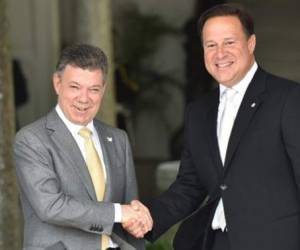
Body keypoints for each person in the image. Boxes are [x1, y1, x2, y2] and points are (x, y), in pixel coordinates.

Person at [125, 3, 300, 250]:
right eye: (211, 45)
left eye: (229, 42)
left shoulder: (288, 99)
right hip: (216, 242)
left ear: (251, 44)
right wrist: (149, 218)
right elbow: (190, 184)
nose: (220, 53)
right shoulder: (198, 111)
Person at [13, 44, 152, 250]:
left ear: (103, 90)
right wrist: (121, 212)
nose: (84, 98)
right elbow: (50, 206)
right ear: (57, 83)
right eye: (75, 87)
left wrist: (136, 222)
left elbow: (130, 209)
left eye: (94, 89)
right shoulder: (31, 139)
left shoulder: (118, 139)